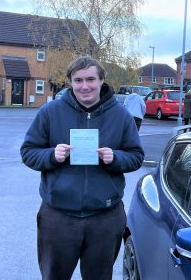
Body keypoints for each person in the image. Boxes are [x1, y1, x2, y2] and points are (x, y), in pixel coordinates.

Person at [20, 55, 144, 280]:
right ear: (70, 82)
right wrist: (51, 155)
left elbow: (136, 156)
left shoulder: (121, 116)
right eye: (78, 80)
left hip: (105, 217)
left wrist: (115, 158)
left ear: (101, 80)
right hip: (58, 216)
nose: (84, 86)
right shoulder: (50, 112)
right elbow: (28, 152)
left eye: (90, 79)